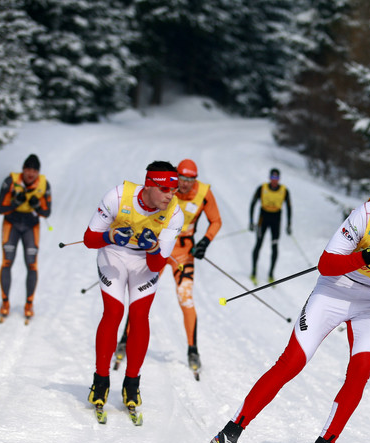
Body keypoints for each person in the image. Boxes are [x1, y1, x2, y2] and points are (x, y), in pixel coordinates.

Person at [203, 171, 370, 443]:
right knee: (291, 363)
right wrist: (365, 256)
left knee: (359, 376)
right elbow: (326, 264)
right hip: (336, 288)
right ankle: (227, 436)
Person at [82, 161, 183, 413]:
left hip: (144, 262)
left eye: (174, 190)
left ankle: (131, 384)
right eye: (165, 190)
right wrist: (110, 236)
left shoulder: (174, 213)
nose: (170, 196)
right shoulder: (117, 197)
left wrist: (152, 247)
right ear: (149, 185)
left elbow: (158, 262)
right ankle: (101, 382)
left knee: (139, 317)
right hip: (113, 254)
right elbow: (88, 239)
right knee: (114, 313)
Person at [112, 159, 223, 375]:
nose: (184, 184)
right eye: (181, 178)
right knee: (140, 295)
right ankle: (125, 340)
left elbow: (216, 221)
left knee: (186, 297)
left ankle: (193, 350)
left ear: (195, 179)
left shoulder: (204, 194)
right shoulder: (167, 190)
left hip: (184, 253)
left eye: (190, 180)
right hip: (159, 250)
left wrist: (205, 242)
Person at [0, 154, 52, 322]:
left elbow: (47, 212)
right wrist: (15, 203)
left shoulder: (44, 185)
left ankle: (29, 304)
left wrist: (36, 206)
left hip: (30, 226)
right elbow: (0, 208)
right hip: (11, 224)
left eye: (34, 170)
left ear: (38, 172)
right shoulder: (10, 181)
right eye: (28, 169)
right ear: (23, 169)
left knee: (31, 264)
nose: (31, 173)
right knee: (7, 262)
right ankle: (5, 303)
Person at [248, 167, 292, 284]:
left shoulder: (284, 190)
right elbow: (252, 204)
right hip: (263, 218)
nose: (274, 180)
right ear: (269, 178)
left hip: (276, 219)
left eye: (276, 177)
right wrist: (251, 221)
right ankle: (253, 271)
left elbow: (289, 208)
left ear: (279, 179)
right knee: (259, 244)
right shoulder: (262, 188)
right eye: (272, 177)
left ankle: (271, 274)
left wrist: (288, 224)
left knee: (274, 246)